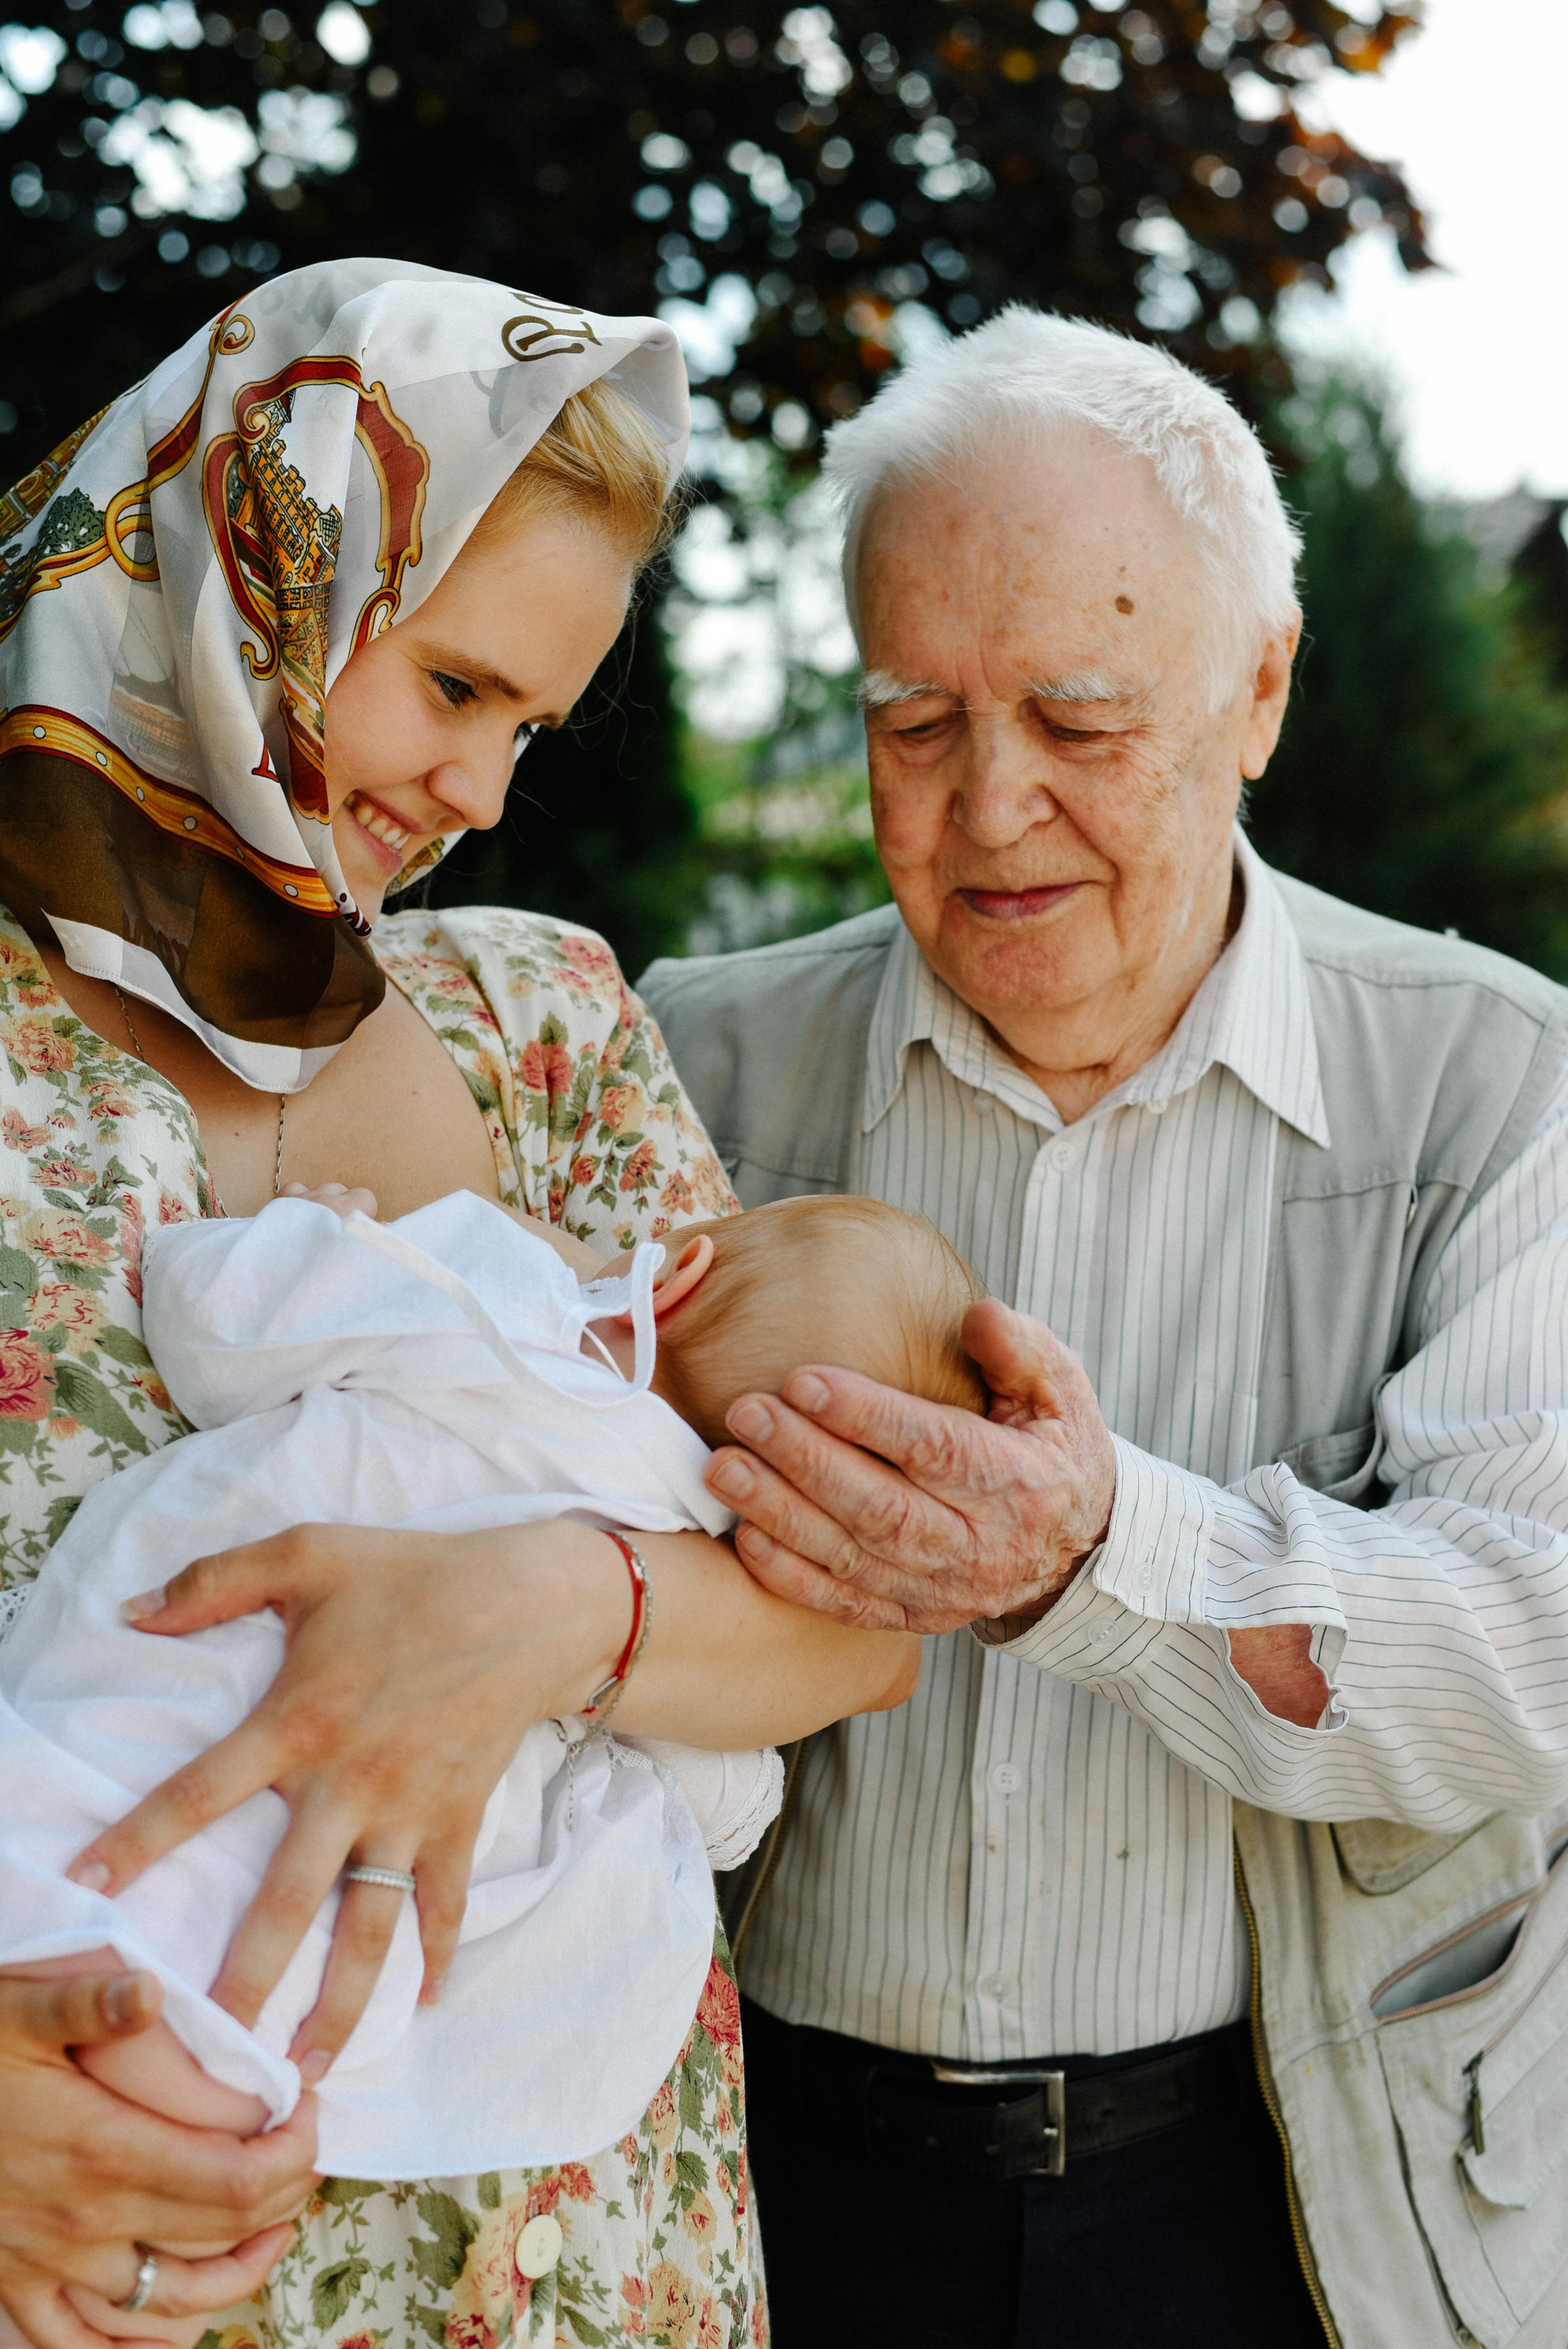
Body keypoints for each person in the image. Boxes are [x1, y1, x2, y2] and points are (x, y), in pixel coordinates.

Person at [0, 260, 917, 2349]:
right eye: (453, 686)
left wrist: (547, 1605)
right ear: (260, 572)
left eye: (532, 725)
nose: (485, 794)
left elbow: (852, 1627)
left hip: (577, 2262)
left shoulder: (542, 1020)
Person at [639, 308, 1568, 2349]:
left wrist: (1090, 1556)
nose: (987, 809)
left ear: (1259, 690)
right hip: (765, 2180)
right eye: (912, 721)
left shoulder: (1501, 1082)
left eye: (1077, 715)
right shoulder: (677, 1064)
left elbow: (1530, 1650)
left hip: (1288, 2201)